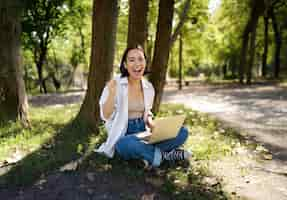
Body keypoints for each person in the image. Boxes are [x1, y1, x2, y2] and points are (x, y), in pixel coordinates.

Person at [95, 44, 191, 168]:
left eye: (140, 59)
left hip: (143, 132)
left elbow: (147, 113)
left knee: (182, 131)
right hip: (124, 135)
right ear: (125, 65)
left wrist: (151, 123)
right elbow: (105, 116)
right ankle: (164, 156)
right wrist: (112, 93)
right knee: (124, 144)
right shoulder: (115, 84)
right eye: (131, 60)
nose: (137, 64)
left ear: (145, 62)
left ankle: (146, 155)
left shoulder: (149, 88)